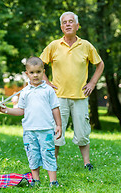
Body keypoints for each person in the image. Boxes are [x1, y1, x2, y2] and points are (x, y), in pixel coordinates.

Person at [40, 11, 104, 170]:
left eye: (71, 21)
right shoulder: (54, 45)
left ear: (77, 25)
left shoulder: (86, 45)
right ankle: (52, 163)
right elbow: (39, 65)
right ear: (61, 27)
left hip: (80, 97)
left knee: (82, 132)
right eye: (64, 22)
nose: (67, 24)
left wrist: (92, 83)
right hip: (58, 98)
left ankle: (86, 163)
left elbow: (100, 64)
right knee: (56, 133)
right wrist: (46, 82)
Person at [0, 57, 62, 187]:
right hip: (29, 130)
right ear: (27, 74)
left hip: (45, 129)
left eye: (38, 72)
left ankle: (53, 181)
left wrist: (58, 125)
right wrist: (5, 110)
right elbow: (21, 110)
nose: (35, 75)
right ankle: (35, 180)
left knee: (48, 154)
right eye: (32, 72)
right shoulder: (25, 92)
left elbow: (55, 108)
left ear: (43, 72)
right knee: (33, 155)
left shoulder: (48, 90)